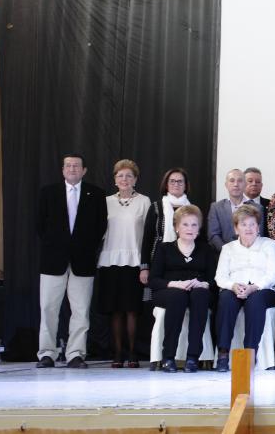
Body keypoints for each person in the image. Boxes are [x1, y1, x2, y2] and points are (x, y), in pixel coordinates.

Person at [36, 154, 108, 369]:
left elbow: (100, 227)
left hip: (83, 261)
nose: (72, 169)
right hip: (52, 260)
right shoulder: (48, 193)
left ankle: (75, 353)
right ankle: (46, 353)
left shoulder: (96, 194)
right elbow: (40, 225)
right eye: (68, 165)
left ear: (84, 170)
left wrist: (84, 247)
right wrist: (57, 245)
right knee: (48, 308)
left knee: (81, 310)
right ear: (62, 169)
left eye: (76, 165)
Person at [96, 159, 151, 368]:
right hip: (110, 260)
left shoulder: (144, 201)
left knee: (132, 310)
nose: (124, 179)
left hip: (134, 260)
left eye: (129, 175)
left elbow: (148, 235)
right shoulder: (106, 201)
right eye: (120, 176)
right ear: (115, 179)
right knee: (115, 310)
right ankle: (117, 353)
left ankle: (133, 353)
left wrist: (146, 264)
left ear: (135, 179)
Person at [148, 205, 215, 373]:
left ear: (199, 228)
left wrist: (203, 284)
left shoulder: (206, 249)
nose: (190, 229)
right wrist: (176, 284)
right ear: (176, 227)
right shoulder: (164, 249)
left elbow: (214, 279)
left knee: (200, 295)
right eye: (185, 224)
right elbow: (153, 280)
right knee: (178, 297)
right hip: (168, 290)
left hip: (197, 289)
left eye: (194, 225)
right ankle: (168, 356)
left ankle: (193, 357)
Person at [214, 205, 275, 372]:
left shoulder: (269, 244)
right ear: (236, 228)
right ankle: (223, 353)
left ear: (258, 227)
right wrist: (233, 286)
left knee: (256, 300)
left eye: (252, 224)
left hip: (263, 290)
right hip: (234, 288)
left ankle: (250, 353)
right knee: (226, 299)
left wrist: (254, 287)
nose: (248, 228)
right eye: (243, 225)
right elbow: (220, 277)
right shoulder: (228, 248)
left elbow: (273, 274)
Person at [141, 168, 193, 286]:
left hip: (186, 261)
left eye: (180, 181)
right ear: (166, 185)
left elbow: (200, 238)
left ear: (185, 185)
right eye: (172, 181)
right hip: (158, 260)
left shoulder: (192, 209)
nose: (176, 184)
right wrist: (144, 267)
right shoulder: (156, 207)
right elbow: (147, 239)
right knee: (157, 296)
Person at [208, 169, 262, 253]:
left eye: (240, 181)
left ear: (245, 184)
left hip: (250, 255)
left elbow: (259, 234)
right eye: (232, 181)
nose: (236, 184)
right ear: (226, 185)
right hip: (223, 255)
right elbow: (213, 235)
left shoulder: (257, 208)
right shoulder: (216, 207)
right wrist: (227, 252)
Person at [244, 167, 269, 234]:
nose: (254, 184)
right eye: (250, 181)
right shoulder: (235, 204)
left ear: (261, 185)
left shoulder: (271, 205)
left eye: (258, 182)